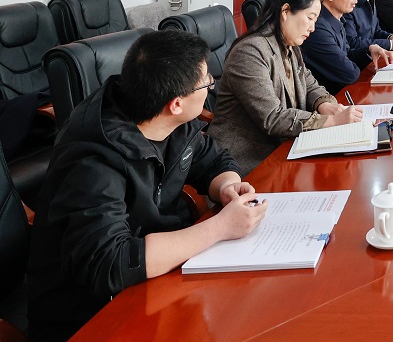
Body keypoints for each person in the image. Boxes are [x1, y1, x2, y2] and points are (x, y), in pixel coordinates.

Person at [26, 30, 267, 341]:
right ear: (176, 103)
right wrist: (221, 227)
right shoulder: (92, 159)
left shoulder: (168, 118)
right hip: (91, 315)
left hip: (157, 281)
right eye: (206, 81)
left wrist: (227, 187)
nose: (211, 86)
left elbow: (214, 160)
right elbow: (111, 262)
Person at [209, 0, 363, 174]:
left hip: (286, 147)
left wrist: (325, 104)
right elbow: (272, 117)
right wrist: (330, 121)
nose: (313, 28)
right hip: (247, 160)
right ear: (286, 11)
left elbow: (310, 84)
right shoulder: (250, 52)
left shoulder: (290, 46)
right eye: (310, 18)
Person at [300, 0, 393, 95]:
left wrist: (369, 50)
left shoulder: (337, 19)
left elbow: (347, 53)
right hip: (332, 100)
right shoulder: (317, 29)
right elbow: (350, 73)